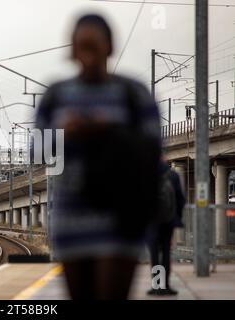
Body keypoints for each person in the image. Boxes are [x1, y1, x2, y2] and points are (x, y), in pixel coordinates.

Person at [34, 14, 162, 299]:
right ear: (72, 49)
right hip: (71, 222)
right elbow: (36, 152)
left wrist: (110, 129)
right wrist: (64, 132)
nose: (88, 56)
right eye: (82, 47)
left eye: (94, 47)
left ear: (109, 47)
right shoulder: (55, 96)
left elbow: (153, 147)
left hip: (121, 219)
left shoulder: (133, 94)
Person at [147, 162, 185, 296]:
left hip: (151, 222)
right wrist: (176, 218)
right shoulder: (173, 175)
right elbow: (180, 199)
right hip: (168, 221)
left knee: (155, 254)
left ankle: (157, 287)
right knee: (166, 253)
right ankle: (166, 286)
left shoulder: (146, 174)